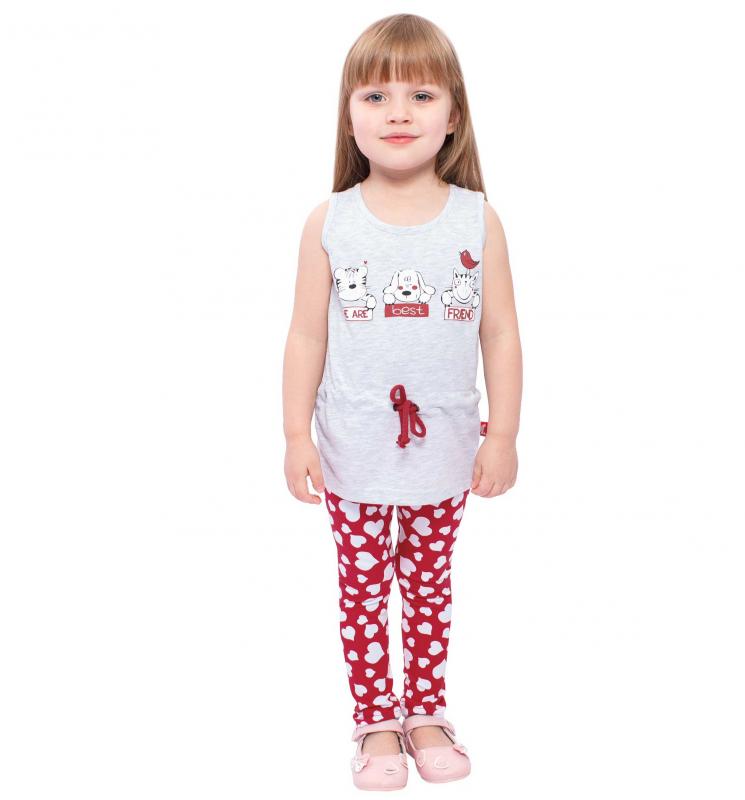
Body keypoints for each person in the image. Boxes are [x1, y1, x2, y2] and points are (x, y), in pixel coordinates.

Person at [282, 13, 522, 790]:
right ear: (349, 115)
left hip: (445, 447)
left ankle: (425, 712)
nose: (398, 112)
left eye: (421, 95)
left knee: (428, 586)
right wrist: (296, 435)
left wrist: (503, 435)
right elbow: (306, 337)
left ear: (452, 115)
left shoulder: (477, 219)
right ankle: (375, 720)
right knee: (362, 590)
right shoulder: (330, 221)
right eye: (376, 95)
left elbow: (500, 333)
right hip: (352, 445)